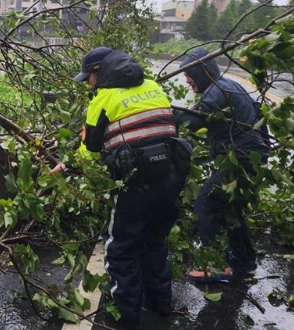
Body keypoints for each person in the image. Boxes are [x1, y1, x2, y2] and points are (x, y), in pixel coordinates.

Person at [52, 47, 188, 330]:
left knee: (121, 250)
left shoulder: (103, 99)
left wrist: (67, 164)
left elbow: (89, 153)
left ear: (99, 72)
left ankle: (124, 318)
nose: (88, 83)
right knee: (155, 243)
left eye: (88, 77)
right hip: (171, 178)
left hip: (135, 185)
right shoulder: (153, 87)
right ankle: (160, 305)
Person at [176, 48, 270, 282]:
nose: (186, 80)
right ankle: (245, 261)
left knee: (205, 205)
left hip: (241, 157)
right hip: (252, 156)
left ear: (202, 71)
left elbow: (193, 121)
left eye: (189, 73)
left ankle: (217, 267)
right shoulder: (227, 84)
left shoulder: (215, 92)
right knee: (231, 209)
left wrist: (163, 114)